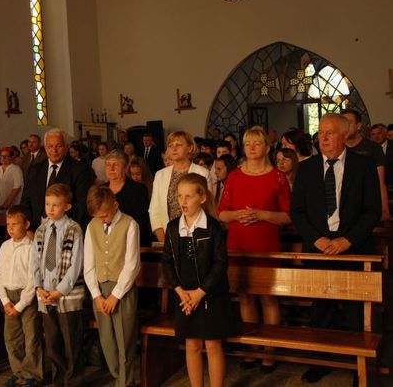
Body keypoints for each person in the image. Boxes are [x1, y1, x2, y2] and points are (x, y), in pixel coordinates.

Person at [290, 113, 381, 384]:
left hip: (353, 248)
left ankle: (357, 367)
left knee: (355, 313)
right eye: (320, 133)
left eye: (330, 132)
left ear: (345, 134)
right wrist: (316, 239)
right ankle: (321, 362)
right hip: (318, 248)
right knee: (321, 309)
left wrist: (347, 240)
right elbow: (297, 211)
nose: (324, 137)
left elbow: (372, 210)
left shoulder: (363, 165)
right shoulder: (307, 168)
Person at [218, 126, 291, 372]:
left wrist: (262, 214)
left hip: (266, 244)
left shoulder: (277, 177)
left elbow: (288, 216)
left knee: (268, 297)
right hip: (239, 243)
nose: (251, 147)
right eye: (247, 143)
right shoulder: (234, 176)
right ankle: (252, 347)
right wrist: (238, 215)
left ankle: (270, 351)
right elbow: (221, 213)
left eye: (257, 143)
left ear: (267, 147)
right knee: (245, 295)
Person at [162, 173, 236, 387]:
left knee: (212, 346)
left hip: (211, 295)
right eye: (179, 196)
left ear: (202, 198)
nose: (183, 201)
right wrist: (180, 292)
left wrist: (199, 293)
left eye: (188, 196)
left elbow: (220, 264)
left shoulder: (214, 227)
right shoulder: (173, 228)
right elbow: (167, 262)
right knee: (192, 345)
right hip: (184, 297)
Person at [84, 186, 140, 387]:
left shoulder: (130, 224)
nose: (101, 220)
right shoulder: (92, 226)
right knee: (107, 340)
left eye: (104, 215)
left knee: (125, 340)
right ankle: (118, 377)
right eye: (97, 217)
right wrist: (96, 295)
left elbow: (132, 265)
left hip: (122, 291)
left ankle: (125, 382)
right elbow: (88, 264)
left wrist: (116, 295)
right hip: (100, 290)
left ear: (115, 205)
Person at [32, 184, 85, 386]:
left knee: (71, 341)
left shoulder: (74, 229)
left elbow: (75, 265)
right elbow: (35, 261)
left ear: (67, 206)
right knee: (52, 341)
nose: (50, 209)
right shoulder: (41, 230)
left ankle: (73, 381)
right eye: (47, 204)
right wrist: (38, 286)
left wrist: (59, 291)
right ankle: (58, 379)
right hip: (45, 293)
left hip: (67, 295)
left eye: (55, 205)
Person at [0, 205, 42, 387]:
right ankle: (18, 372)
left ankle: (32, 375)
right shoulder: (5, 246)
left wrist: (21, 304)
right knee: (11, 338)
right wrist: (5, 301)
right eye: (8, 224)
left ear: (26, 224)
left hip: (26, 298)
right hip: (8, 296)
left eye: (15, 224)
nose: (10, 228)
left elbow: (33, 279)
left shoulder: (32, 248)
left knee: (31, 338)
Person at [21, 128, 93, 231]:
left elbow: (82, 204)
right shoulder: (35, 170)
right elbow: (26, 201)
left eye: (59, 146)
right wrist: (28, 229)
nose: (54, 150)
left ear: (67, 147)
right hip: (36, 229)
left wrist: (70, 230)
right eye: (50, 146)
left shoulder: (79, 169)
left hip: (66, 229)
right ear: (45, 148)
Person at [149, 131, 212, 242]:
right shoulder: (160, 175)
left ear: (190, 148)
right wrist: (163, 240)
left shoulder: (202, 173)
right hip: (167, 235)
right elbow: (154, 209)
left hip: (196, 236)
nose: (174, 149)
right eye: (170, 146)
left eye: (178, 145)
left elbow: (207, 207)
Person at [341, 109, 390, 221]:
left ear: (358, 126)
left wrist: (384, 209)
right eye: (342, 123)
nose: (345, 126)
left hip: (367, 202)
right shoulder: (338, 148)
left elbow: (380, 182)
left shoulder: (373, 148)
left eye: (349, 122)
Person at [105, 150, 153, 246]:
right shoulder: (100, 190)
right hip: (105, 243)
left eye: (116, 165)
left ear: (125, 168)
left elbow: (141, 222)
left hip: (131, 242)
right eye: (108, 164)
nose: (111, 168)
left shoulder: (139, 190)